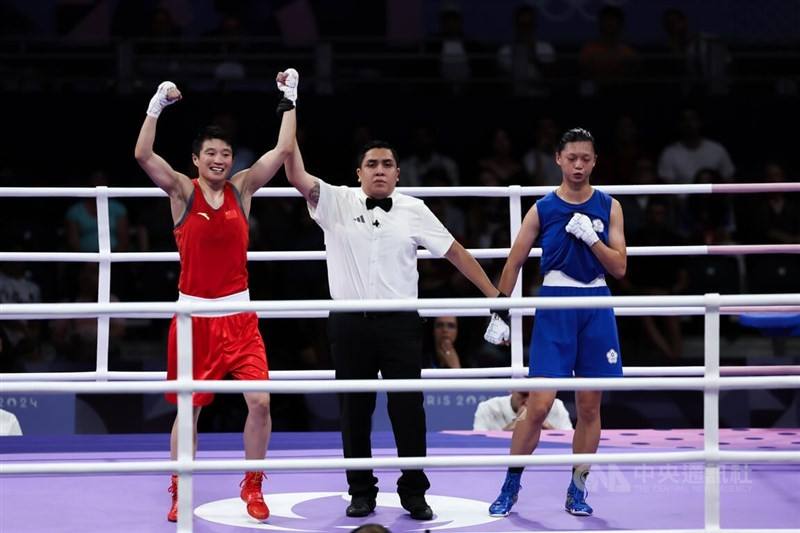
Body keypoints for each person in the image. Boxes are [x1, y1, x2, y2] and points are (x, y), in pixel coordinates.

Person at [283, 117, 502, 519]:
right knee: (354, 410)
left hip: (400, 323)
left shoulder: (413, 209)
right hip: (349, 323)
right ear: (359, 172)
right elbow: (293, 170)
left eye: (387, 164)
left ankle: (414, 492)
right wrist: (290, 107)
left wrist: (495, 296)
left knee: (408, 409)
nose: (380, 170)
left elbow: (454, 252)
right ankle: (360, 491)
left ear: (398, 173)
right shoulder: (336, 201)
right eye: (372, 164)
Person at [133, 69, 298, 522]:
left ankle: (253, 483)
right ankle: (179, 486)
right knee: (189, 411)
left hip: (239, 315)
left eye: (225, 153)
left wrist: (290, 97)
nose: (219, 159)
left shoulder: (242, 189)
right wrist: (156, 105)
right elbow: (143, 154)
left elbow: (283, 151)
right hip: (193, 318)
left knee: (261, 402)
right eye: (211, 153)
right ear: (196, 159)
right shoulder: (181, 191)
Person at [483, 127, 627, 517]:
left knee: (590, 406)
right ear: (559, 160)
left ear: (594, 161)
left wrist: (592, 240)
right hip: (556, 304)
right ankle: (510, 484)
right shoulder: (543, 208)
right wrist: (499, 311)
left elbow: (619, 267)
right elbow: (513, 262)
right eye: (572, 158)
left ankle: (578, 489)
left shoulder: (610, 206)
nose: (578, 165)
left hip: (596, 303)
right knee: (541, 404)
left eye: (586, 158)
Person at [473, 392, 573, 432]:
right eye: (524, 394)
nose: (529, 401)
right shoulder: (487, 407)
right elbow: (477, 446)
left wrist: (541, 423)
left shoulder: (556, 405)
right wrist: (519, 422)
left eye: (535, 396)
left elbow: (568, 443)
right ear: (512, 389)